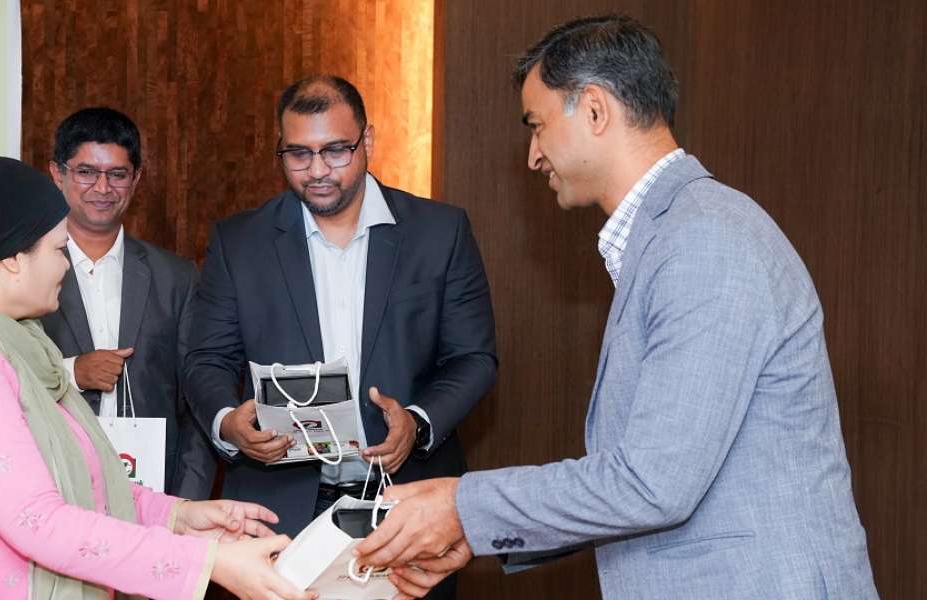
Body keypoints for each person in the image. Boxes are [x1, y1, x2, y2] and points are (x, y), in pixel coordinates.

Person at [354, 14, 879, 600]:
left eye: (538, 125)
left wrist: (461, 507)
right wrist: (479, 532)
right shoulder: (676, 235)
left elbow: (654, 483)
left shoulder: (705, 239)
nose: (533, 155)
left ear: (596, 110)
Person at [0, 157, 312, 599]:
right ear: (10, 258)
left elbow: (88, 485)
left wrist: (179, 518)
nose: (66, 266)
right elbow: (39, 521)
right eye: (58, 250)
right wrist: (207, 563)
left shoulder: (17, 344)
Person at [183, 75, 497, 598]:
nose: (318, 171)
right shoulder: (239, 242)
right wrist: (228, 423)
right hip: (277, 517)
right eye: (298, 155)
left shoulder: (440, 232)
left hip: (407, 510)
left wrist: (417, 425)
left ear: (367, 141)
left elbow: (473, 358)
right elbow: (205, 360)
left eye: (335, 150)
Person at [39, 107, 215, 499]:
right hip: (51, 495)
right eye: (86, 172)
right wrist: (72, 373)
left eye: (117, 174)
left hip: (155, 500)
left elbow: (198, 403)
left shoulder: (177, 277)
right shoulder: (22, 271)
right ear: (57, 173)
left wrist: (183, 504)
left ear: (135, 179)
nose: (102, 188)